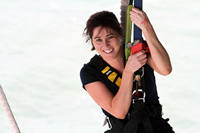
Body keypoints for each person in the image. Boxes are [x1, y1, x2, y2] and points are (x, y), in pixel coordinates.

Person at [80, 7, 174, 133]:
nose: (106, 45)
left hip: (157, 128)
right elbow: (119, 112)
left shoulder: (137, 50)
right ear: (92, 41)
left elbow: (166, 69)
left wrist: (146, 27)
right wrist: (129, 71)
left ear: (120, 34)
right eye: (98, 40)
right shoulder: (90, 72)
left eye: (110, 37)